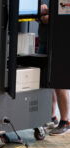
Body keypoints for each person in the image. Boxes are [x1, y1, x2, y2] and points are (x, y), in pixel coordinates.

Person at [39, 0, 70, 135]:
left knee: (60, 84)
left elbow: (61, 17)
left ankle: (65, 121)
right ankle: (51, 117)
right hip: (45, 42)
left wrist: (45, 15)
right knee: (47, 82)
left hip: (60, 43)